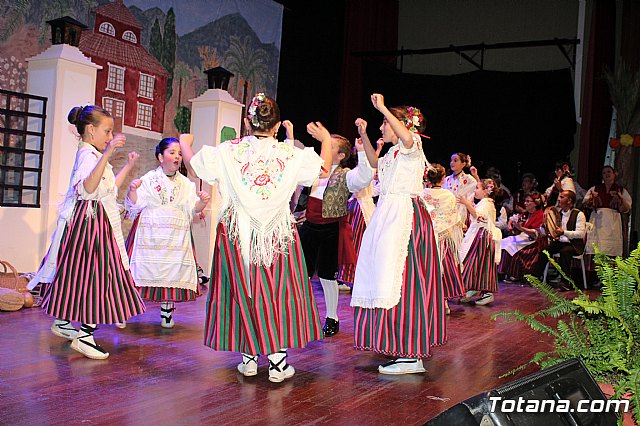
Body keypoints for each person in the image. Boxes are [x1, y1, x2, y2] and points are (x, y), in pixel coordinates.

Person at [179, 93, 332, 383]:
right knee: (278, 292)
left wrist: (184, 144)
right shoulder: (290, 154)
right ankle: (277, 361)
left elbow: (197, 165)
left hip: (237, 234)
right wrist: (325, 139)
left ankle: (249, 357)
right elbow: (321, 169)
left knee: (242, 290)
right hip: (277, 234)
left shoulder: (228, 151)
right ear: (276, 127)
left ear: (249, 122)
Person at [27, 105, 145, 360]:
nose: (109, 136)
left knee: (78, 273)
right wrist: (110, 152)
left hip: (94, 220)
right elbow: (88, 188)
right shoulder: (88, 156)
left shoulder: (92, 155)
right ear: (91, 130)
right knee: (99, 276)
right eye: (106, 131)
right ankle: (85, 335)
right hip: (90, 223)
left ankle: (64, 321)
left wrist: (128, 164)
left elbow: (107, 188)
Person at [351, 94, 445, 375]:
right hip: (388, 216)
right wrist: (364, 136)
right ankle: (401, 347)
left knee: (405, 282)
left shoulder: (413, 143)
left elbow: (406, 138)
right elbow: (374, 164)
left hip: (405, 218)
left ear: (401, 124)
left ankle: (412, 354)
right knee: (386, 279)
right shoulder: (393, 153)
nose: (382, 127)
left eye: (384, 123)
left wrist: (382, 108)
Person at [125, 137, 211, 328]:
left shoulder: (187, 184)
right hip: (152, 231)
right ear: (160, 156)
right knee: (139, 271)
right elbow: (135, 203)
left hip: (175, 235)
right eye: (172, 153)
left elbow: (192, 208)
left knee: (172, 271)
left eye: (180, 154)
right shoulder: (149, 178)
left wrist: (203, 202)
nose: (177, 157)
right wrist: (132, 190)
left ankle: (167, 311)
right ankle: (124, 310)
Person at [298, 133, 373, 337]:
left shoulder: (346, 174)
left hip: (330, 229)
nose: (323, 148)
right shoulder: (313, 170)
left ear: (340, 156)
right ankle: (301, 316)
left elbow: (364, 178)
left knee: (327, 276)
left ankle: (332, 317)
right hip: (309, 227)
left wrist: (362, 153)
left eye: (328, 146)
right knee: (301, 273)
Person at [423, 163, 465, 314]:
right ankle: (444, 302)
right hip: (443, 236)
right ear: (443, 179)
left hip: (426, 236)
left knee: (427, 268)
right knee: (443, 269)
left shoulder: (422, 194)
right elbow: (453, 217)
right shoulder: (448, 195)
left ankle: (428, 302)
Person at [458, 178, 503, 306]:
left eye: (478, 188)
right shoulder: (485, 201)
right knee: (474, 264)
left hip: (483, 238)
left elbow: (479, 216)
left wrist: (467, 203)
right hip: (480, 235)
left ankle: (487, 293)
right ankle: (472, 287)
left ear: (485, 191)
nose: (475, 190)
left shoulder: (486, 203)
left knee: (480, 264)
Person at [537, 190, 586, 290]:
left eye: (562, 197)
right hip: (559, 242)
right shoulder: (557, 213)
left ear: (569, 201)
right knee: (545, 251)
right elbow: (550, 232)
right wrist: (545, 227)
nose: (559, 199)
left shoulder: (578, 214)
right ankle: (536, 277)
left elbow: (580, 234)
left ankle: (565, 282)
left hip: (573, 244)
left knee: (565, 252)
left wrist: (563, 232)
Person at [582, 165, 631, 260]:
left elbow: (626, 208)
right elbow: (585, 205)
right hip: (597, 221)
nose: (606, 174)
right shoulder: (595, 189)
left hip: (613, 220)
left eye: (609, 172)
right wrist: (592, 198)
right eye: (604, 173)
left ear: (614, 174)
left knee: (610, 248)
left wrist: (620, 198)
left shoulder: (620, 190)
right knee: (597, 246)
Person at [498, 192, 546, 283]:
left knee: (511, 246)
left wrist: (521, 228)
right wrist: (510, 224)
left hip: (533, 241)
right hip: (523, 237)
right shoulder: (526, 213)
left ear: (535, 203)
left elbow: (536, 234)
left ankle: (513, 274)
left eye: (528, 201)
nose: (525, 203)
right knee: (503, 242)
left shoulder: (540, 215)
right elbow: (514, 218)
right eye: (525, 201)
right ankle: (501, 271)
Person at [443, 152, 477, 225]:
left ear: (463, 164)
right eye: (451, 160)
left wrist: (475, 176)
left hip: (461, 211)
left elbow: (479, 188)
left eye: (455, 160)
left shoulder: (468, 179)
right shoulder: (447, 179)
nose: (452, 163)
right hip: (447, 210)